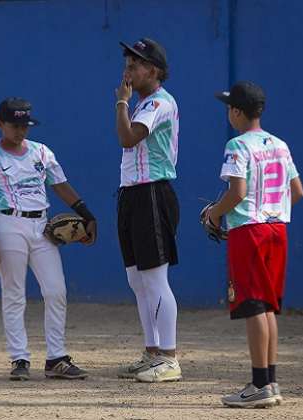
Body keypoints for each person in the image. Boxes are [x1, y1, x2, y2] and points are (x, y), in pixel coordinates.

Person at [0, 97, 96, 381]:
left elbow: (60, 184)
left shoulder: (41, 152)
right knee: (14, 293)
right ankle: (19, 358)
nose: (20, 130)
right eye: (14, 125)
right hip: (7, 224)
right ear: (0, 124)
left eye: (25, 124)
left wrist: (85, 213)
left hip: (42, 225)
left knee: (56, 290)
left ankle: (56, 358)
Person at [204, 81, 303, 408]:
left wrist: (215, 214)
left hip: (250, 230)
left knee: (253, 306)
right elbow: (297, 191)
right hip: (277, 228)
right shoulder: (280, 144)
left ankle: (259, 382)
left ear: (236, 111)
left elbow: (238, 192)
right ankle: (270, 382)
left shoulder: (237, 145)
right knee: (268, 306)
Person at [114, 37, 182, 383]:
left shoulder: (159, 103)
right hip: (132, 194)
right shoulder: (143, 103)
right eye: (127, 63)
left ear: (152, 70)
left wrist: (121, 104)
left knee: (155, 279)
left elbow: (127, 139)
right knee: (137, 279)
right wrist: (128, 103)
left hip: (153, 194)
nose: (127, 71)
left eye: (134, 65)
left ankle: (169, 358)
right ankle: (152, 352)